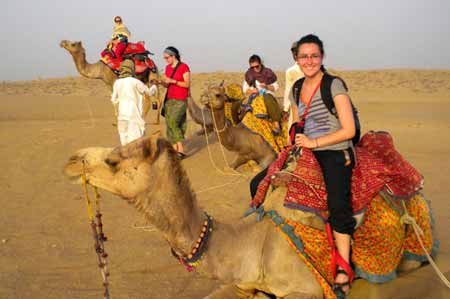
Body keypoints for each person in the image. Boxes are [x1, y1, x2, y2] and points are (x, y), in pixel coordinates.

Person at [290, 34, 356, 297]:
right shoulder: (296, 87)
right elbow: (298, 124)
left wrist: (315, 143)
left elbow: (349, 129)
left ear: (322, 57)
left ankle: (344, 265)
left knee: (337, 204)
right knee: (260, 182)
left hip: (334, 150)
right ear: (296, 59)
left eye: (314, 56)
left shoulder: (334, 85)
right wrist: (295, 142)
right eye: (304, 56)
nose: (309, 61)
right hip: (307, 148)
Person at [111, 59, 156, 145]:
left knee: (124, 142)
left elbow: (113, 99)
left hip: (122, 116)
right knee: (136, 143)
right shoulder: (135, 81)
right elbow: (149, 92)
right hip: (134, 116)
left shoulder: (117, 83)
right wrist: (154, 86)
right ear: (132, 68)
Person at [158, 46, 190, 159]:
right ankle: (174, 148)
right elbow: (168, 84)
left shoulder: (183, 67)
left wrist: (173, 81)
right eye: (164, 58)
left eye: (167, 57)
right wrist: (161, 82)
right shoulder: (167, 68)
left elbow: (187, 84)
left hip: (180, 99)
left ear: (173, 56)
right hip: (169, 99)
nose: (165, 60)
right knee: (169, 124)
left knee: (173, 122)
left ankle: (180, 149)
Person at [242, 55, 282, 134]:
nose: (255, 69)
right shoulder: (249, 74)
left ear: (261, 64)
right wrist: (252, 91)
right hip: (254, 96)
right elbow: (245, 89)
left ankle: (276, 124)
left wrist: (267, 86)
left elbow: (276, 86)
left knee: (267, 98)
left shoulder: (268, 73)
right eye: (252, 67)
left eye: (257, 66)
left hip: (267, 94)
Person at [283, 41, 304, 132]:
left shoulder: (291, 71)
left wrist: (285, 108)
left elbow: (288, 90)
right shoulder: (291, 71)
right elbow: (289, 90)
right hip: (296, 104)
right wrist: (286, 108)